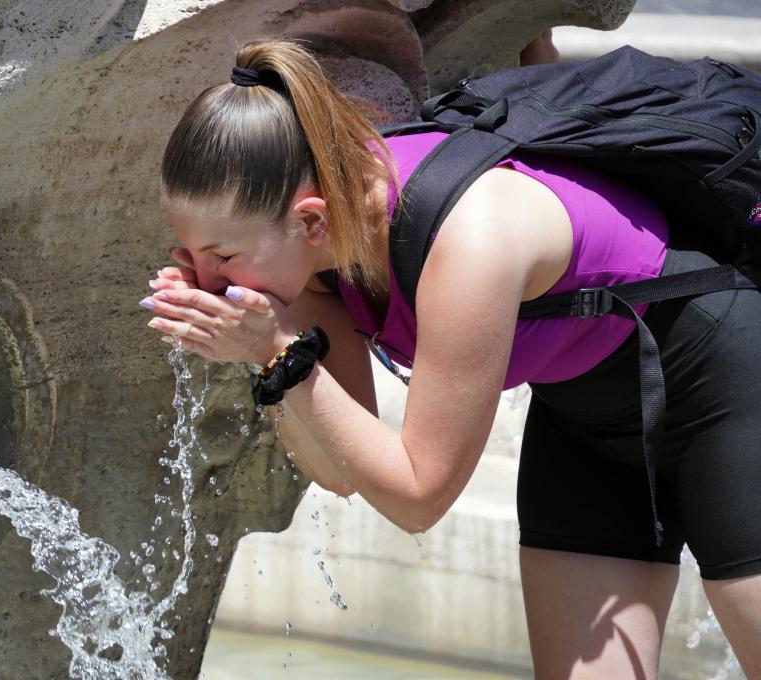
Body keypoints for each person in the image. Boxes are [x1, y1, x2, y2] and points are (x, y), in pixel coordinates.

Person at [138, 38, 761, 678]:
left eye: (221, 257)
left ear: (311, 220)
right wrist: (264, 352)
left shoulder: (469, 238)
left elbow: (419, 498)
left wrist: (276, 351)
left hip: (723, 387)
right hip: (584, 422)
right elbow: (340, 470)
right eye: (191, 254)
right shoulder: (315, 262)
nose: (205, 281)